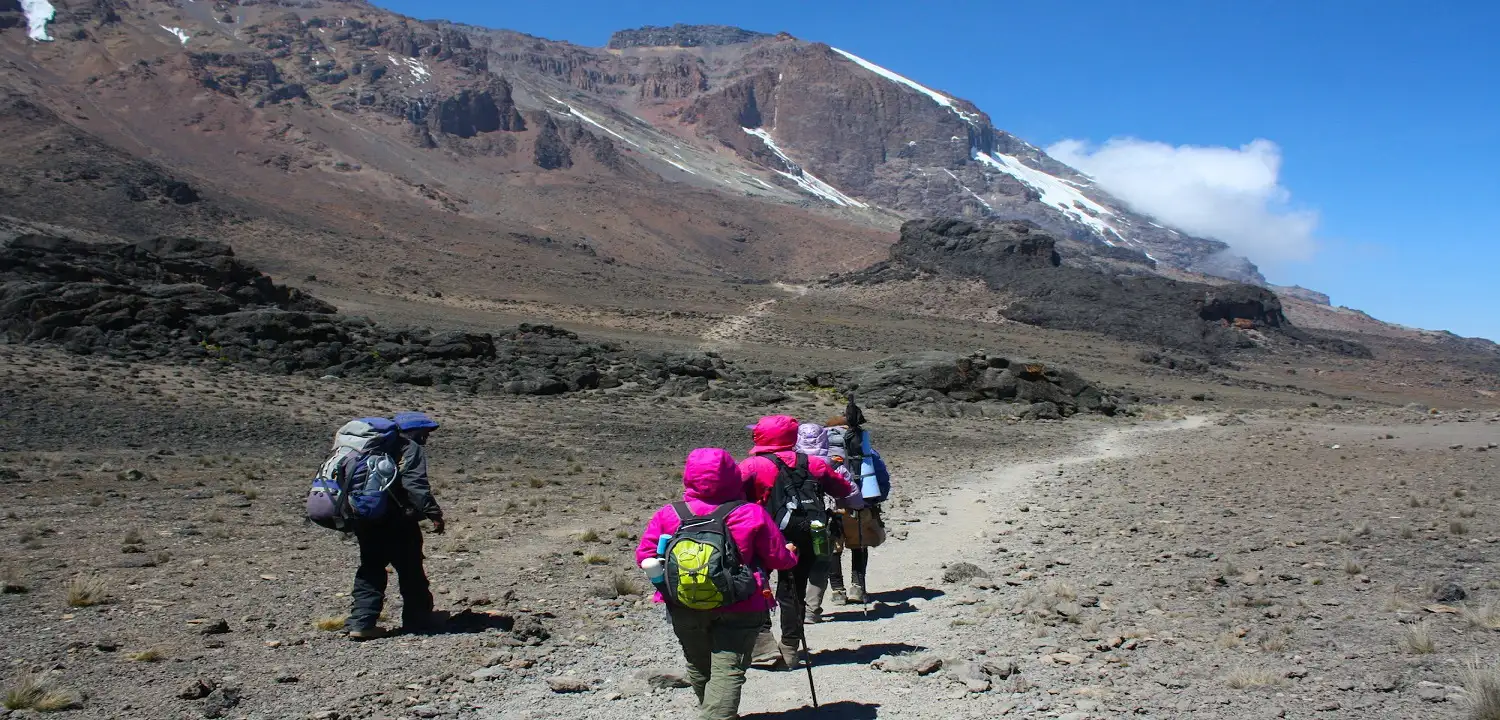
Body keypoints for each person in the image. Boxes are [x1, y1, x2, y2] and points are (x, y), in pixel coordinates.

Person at [637, 448, 799, 720]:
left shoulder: (669, 514)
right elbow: (779, 559)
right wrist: (792, 554)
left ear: (688, 476)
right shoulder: (750, 513)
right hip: (742, 601)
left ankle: (714, 712)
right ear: (734, 476)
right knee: (729, 667)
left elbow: (645, 556)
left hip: (683, 602)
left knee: (699, 665)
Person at [739, 415, 862, 668]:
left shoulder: (751, 466)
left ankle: (762, 640)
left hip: (761, 532)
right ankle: (790, 648)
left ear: (760, 436)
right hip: (803, 531)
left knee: (755, 582)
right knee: (793, 590)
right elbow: (841, 490)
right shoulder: (814, 464)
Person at [347, 411, 446, 640]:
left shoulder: (367, 448)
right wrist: (433, 512)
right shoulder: (409, 448)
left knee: (370, 568)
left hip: (365, 519)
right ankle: (418, 621)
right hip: (398, 521)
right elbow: (415, 483)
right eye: (425, 432)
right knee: (411, 570)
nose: (426, 438)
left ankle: (361, 623)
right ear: (414, 431)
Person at [825, 415, 892, 606]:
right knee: (859, 545)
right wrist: (877, 499)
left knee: (834, 549)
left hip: (830, 505)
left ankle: (838, 591)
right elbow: (880, 477)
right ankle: (858, 587)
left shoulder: (820, 451)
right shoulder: (864, 449)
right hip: (860, 504)